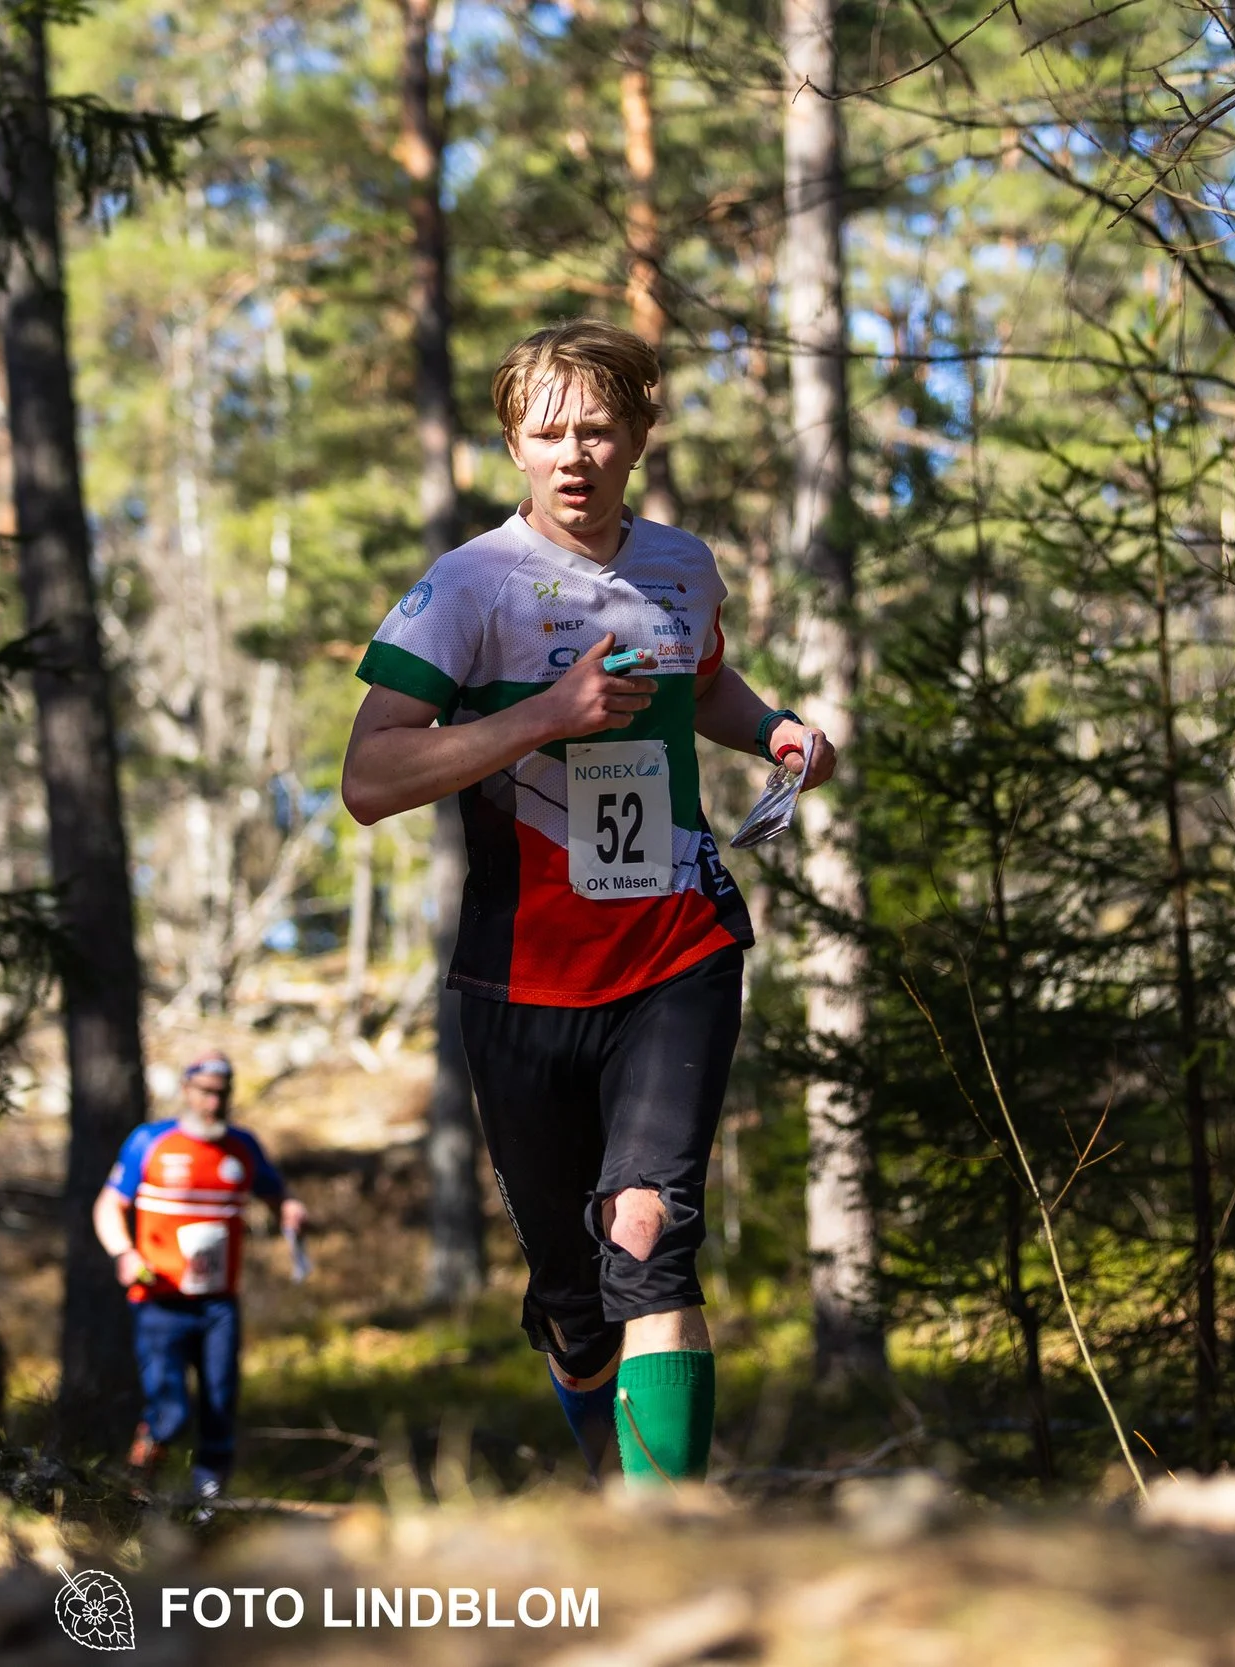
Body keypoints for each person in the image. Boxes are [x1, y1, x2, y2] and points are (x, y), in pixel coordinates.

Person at [339, 319, 837, 1488]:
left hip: (676, 945)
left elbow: (701, 678)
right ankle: (615, 1484)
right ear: (512, 442)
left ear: (638, 437)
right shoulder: (468, 586)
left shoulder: (680, 564)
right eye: (549, 432)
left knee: (647, 1231)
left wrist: (770, 727)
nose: (575, 454)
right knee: (574, 1300)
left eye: (598, 429)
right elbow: (369, 779)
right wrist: (540, 718)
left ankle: (672, 1530)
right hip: (520, 977)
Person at [93, 1051, 308, 1503]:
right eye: (206, 1092)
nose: (214, 1102)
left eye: (222, 1094)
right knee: (169, 1411)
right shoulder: (150, 1142)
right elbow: (109, 1205)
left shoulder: (242, 1147)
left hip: (218, 1304)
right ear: (186, 1090)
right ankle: (137, 1492)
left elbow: (274, 1192)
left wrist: (287, 1207)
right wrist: (124, 1252)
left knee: (219, 1404)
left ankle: (209, 1505)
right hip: (160, 1298)